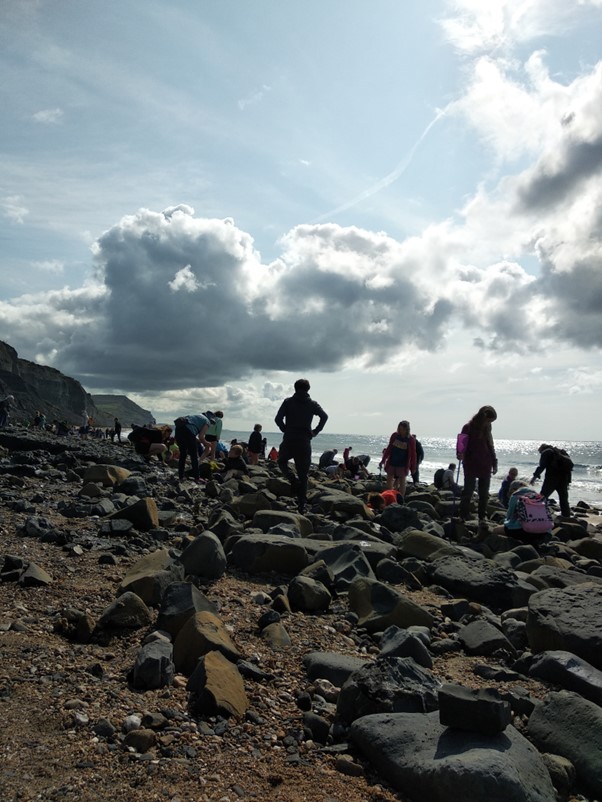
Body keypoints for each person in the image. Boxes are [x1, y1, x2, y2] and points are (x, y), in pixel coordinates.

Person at [274, 378, 328, 513]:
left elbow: (277, 419)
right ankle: (301, 505)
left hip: (289, 439)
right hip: (304, 441)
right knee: (303, 474)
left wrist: (285, 429)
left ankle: (293, 480)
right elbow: (324, 416)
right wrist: (315, 431)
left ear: (295, 388)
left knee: (281, 462)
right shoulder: (312, 404)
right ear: (308, 389)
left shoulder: (288, 402)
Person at [458, 405, 498, 530]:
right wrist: (459, 453)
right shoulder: (468, 427)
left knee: (484, 493)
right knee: (468, 490)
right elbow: (461, 443)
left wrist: (494, 462)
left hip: (485, 463)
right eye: (489, 420)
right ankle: (463, 514)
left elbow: (491, 446)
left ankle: (482, 516)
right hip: (470, 463)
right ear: (483, 417)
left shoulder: (487, 429)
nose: (489, 423)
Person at [530, 443, 573, 518]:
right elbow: (569, 469)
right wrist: (568, 481)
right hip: (564, 479)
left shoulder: (546, 452)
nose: (540, 453)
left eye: (540, 452)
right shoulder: (561, 452)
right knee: (563, 499)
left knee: (542, 497)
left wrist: (534, 478)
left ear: (542, 449)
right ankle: (566, 517)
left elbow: (541, 466)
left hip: (551, 479)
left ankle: (537, 515)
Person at [380, 420, 417, 499]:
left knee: (402, 482)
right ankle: (389, 496)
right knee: (389, 480)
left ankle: (401, 498)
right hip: (392, 461)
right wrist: (383, 459)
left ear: (407, 430)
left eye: (402, 429)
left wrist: (413, 467)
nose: (401, 431)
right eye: (399, 429)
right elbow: (389, 448)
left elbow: (413, 454)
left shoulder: (411, 440)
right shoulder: (395, 436)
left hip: (403, 464)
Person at [174, 414, 210, 482]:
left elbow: (194, 436)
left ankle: (181, 476)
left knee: (183, 454)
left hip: (178, 429)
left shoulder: (196, 416)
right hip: (188, 432)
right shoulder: (207, 421)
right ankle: (197, 477)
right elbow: (201, 436)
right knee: (194, 456)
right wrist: (206, 443)